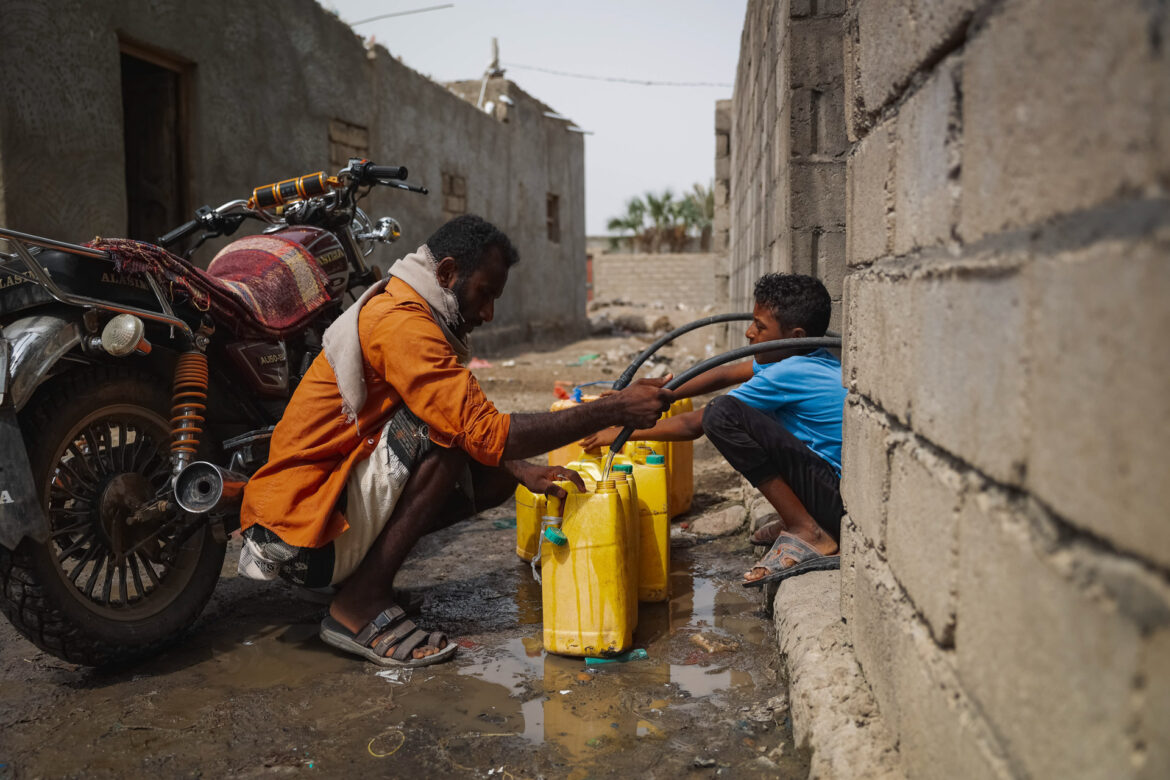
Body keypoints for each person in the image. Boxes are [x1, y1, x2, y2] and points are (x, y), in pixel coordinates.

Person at [239, 215, 672, 667]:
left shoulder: (411, 307)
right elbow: (478, 430)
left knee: (497, 473)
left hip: (318, 524)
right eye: (484, 293)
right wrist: (613, 409)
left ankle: (359, 582)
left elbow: (482, 437)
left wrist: (525, 472)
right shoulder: (402, 322)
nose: (487, 314)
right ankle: (357, 605)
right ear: (446, 274)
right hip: (302, 541)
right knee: (444, 434)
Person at [582, 273, 845, 587]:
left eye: (760, 327)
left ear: (795, 335)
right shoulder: (805, 358)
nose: (749, 333)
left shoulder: (790, 371)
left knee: (723, 413)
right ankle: (801, 518)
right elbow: (726, 372)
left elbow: (697, 424)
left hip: (835, 502)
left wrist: (621, 434)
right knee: (744, 414)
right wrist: (664, 392)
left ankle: (806, 529)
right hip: (833, 490)